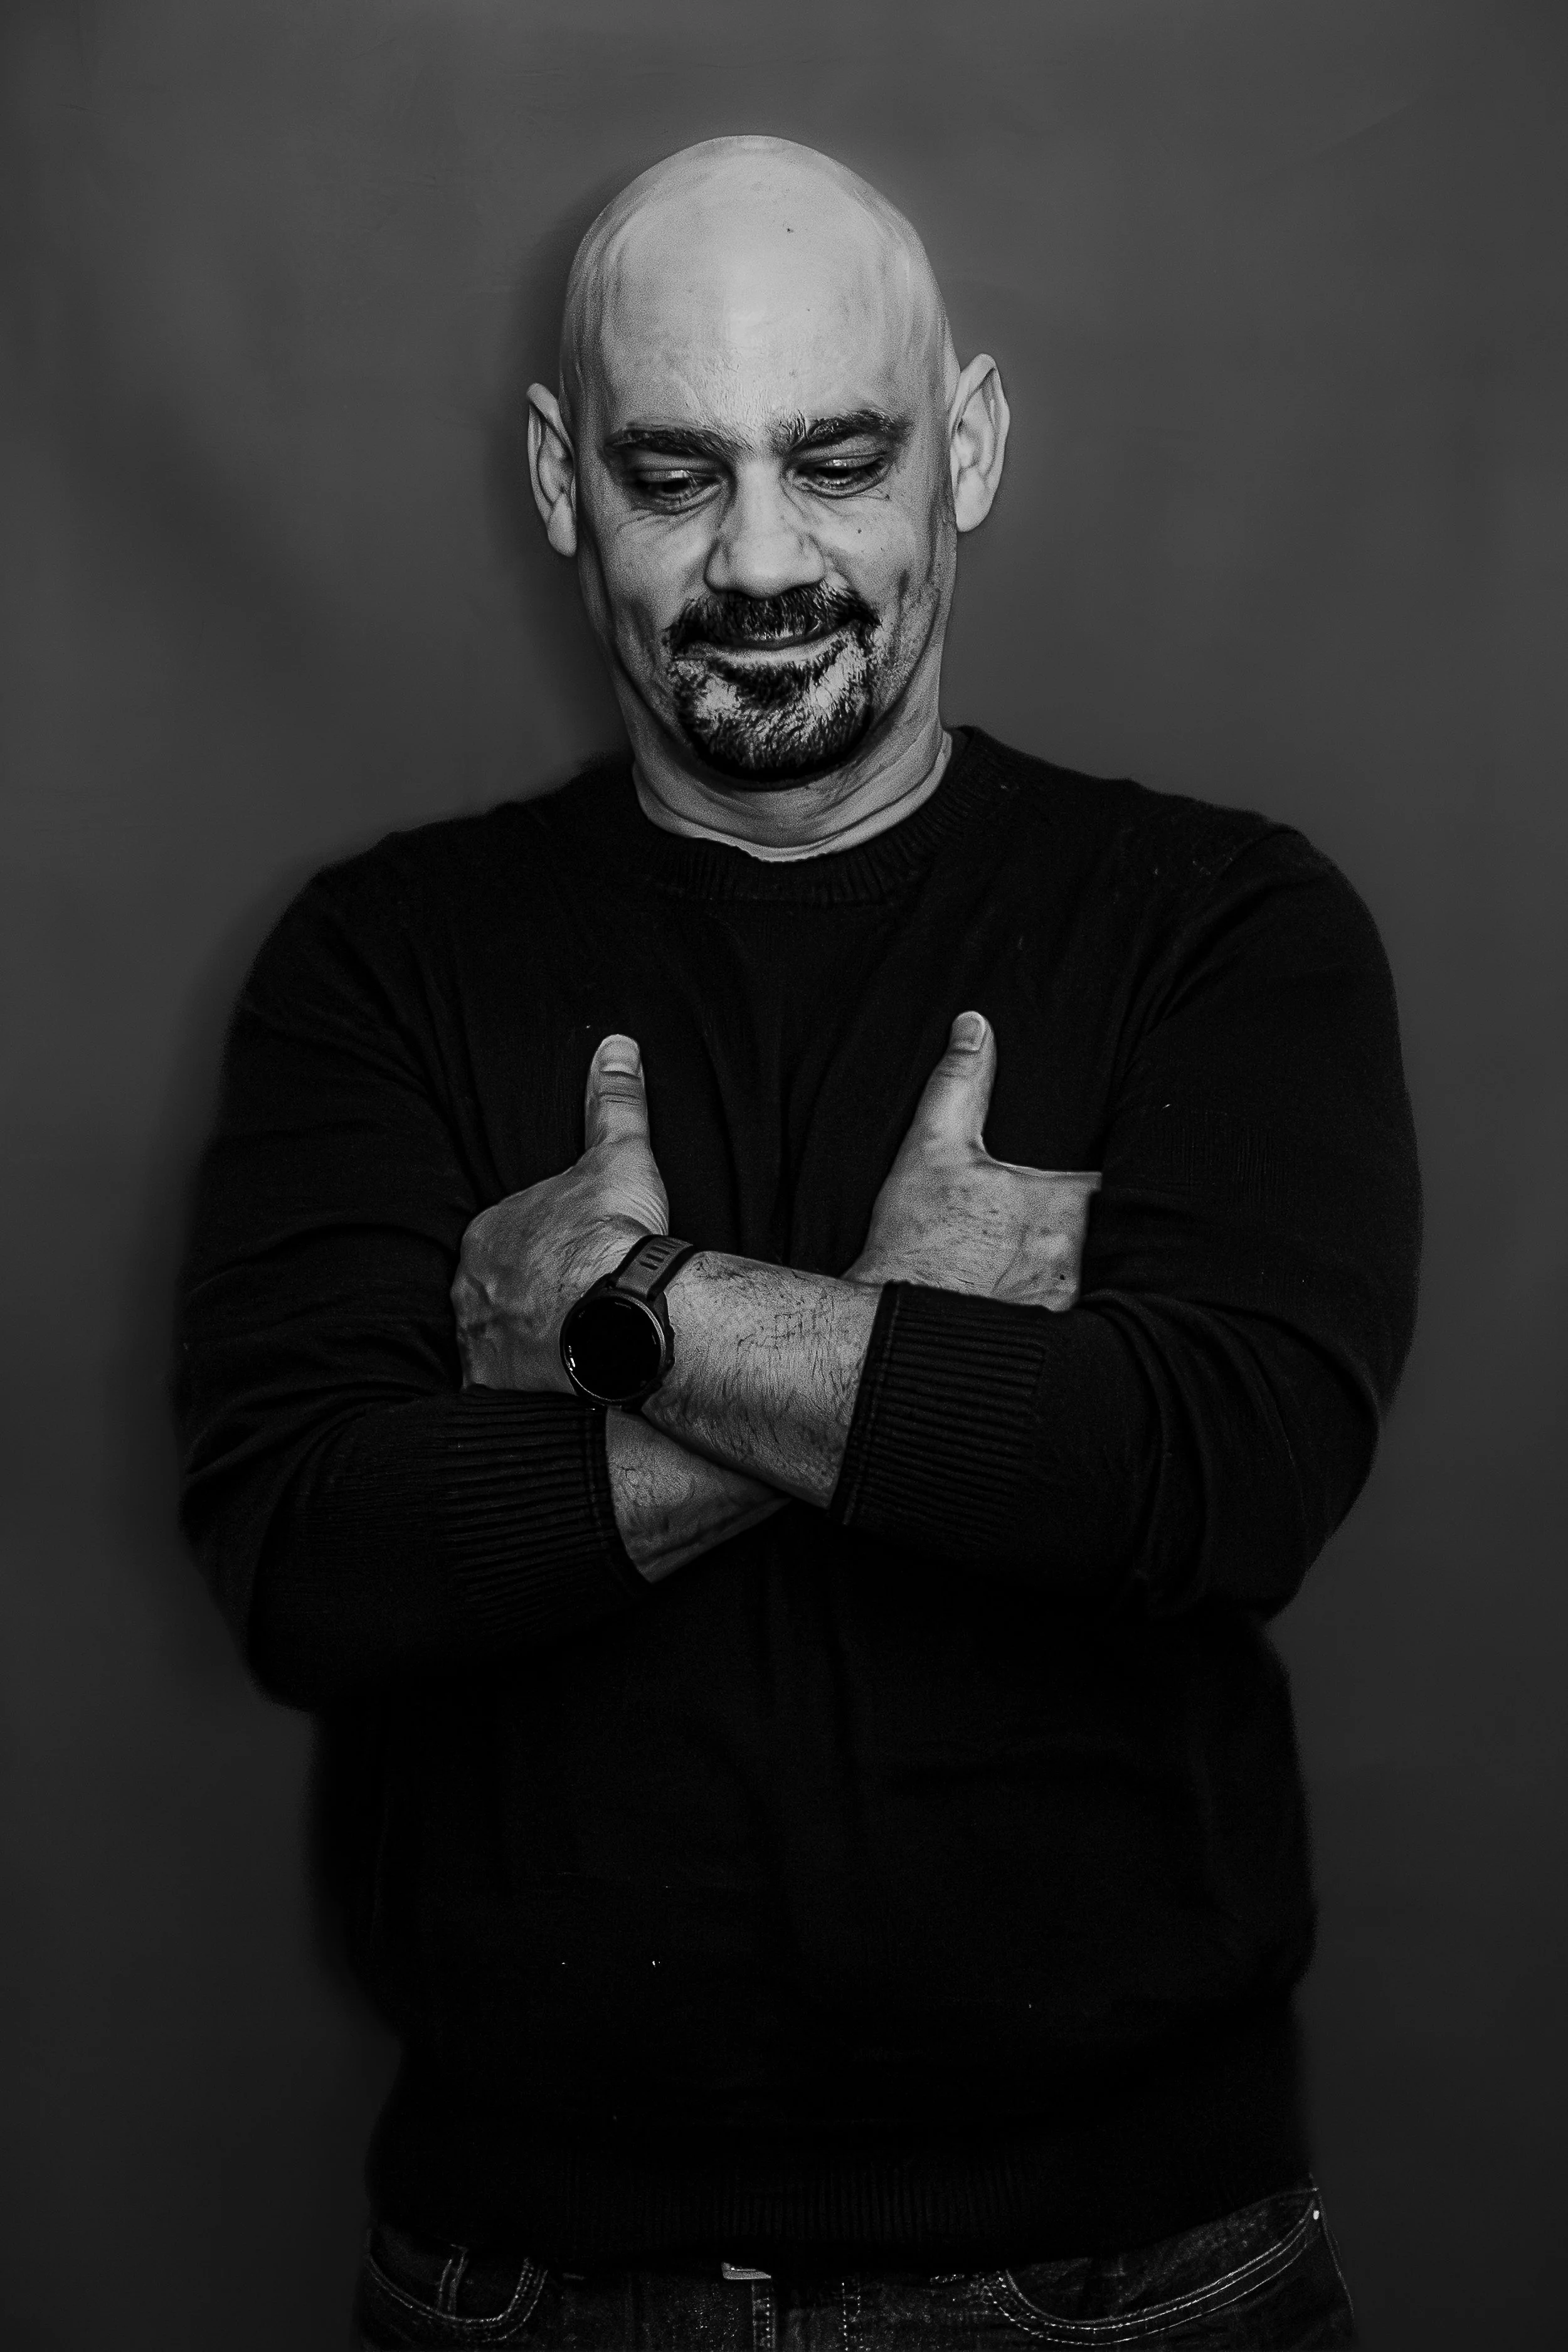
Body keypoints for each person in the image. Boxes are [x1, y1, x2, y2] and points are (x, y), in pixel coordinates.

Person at [176, 135, 1419, 2349]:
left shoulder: (1219, 926)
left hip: (1135, 2277)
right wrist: (926, 1364)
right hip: (526, 2282)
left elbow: (1215, 1472)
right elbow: (308, 1551)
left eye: (838, 461)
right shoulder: (381, 960)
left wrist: (627, 1316)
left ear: (969, 444)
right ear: (559, 481)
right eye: (674, 475)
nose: (761, 559)